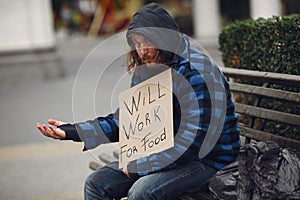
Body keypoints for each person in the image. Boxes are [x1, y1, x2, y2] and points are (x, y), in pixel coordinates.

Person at [36, 3, 240, 200]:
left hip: (209, 159)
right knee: (96, 183)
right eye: (137, 44)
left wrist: (141, 166)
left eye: (147, 42)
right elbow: (127, 122)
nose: (142, 51)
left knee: (142, 192)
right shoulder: (150, 68)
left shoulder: (197, 71)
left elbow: (193, 142)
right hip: (164, 153)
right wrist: (72, 131)